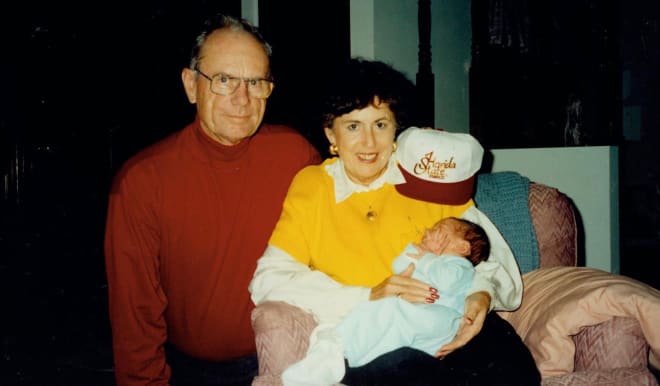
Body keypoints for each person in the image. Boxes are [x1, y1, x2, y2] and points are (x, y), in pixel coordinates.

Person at [249, 59, 541, 385]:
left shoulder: (425, 174)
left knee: (516, 372)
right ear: (331, 133)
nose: (370, 143)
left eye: (381, 124)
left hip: (446, 321)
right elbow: (268, 279)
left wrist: (480, 296)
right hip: (378, 334)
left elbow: (487, 251)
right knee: (406, 370)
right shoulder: (313, 186)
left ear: (396, 130)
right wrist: (368, 295)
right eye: (353, 126)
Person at [104, 14, 321, 386]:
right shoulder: (143, 180)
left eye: (255, 82)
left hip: (294, 358)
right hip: (191, 373)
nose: (242, 99)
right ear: (191, 85)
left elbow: (360, 214)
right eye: (224, 80)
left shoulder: (295, 156)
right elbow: (135, 316)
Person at [281, 215, 491, 385]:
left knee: (391, 309)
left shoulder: (460, 266)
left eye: (439, 231)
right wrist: (419, 251)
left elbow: (448, 281)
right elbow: (399, 265)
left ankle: (339, 355)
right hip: (416, 322)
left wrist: (427, 258)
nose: (429, 232)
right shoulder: (427, 257)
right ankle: (339, 356)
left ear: (463, 248)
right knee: (377, 314)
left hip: (440, 319)